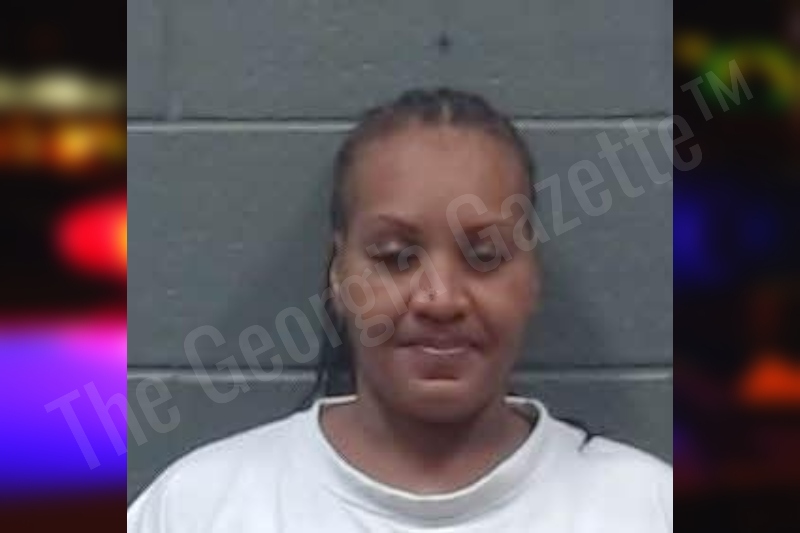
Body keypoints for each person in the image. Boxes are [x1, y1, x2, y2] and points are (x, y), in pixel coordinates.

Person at [127, 88, 672, 532]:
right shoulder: (198, 509)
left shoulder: (645, 508)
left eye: (484, 257)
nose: (441, 299)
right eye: (395, 257)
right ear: (338, 274)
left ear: (532, 279)